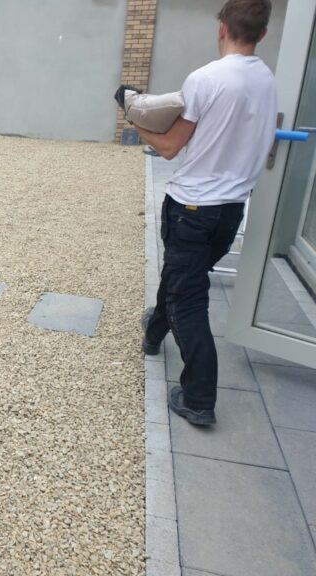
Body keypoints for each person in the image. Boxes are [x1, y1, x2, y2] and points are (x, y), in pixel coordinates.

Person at [136, 0, 278, 425]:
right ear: (262, 35)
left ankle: (198, 397)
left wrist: (132, 113)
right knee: (186, 276)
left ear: (221, 28)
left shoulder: (206, 78)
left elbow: (167, 147)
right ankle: (154, 329)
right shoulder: (267, 79)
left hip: (192, 208)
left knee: (188, 298)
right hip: (230, 211)